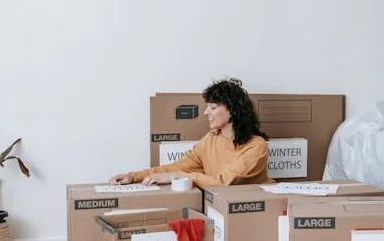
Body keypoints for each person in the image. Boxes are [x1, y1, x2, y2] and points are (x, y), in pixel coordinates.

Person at [109, 78, 275, 189]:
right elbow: (178, 166)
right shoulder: (210, 140)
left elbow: (224, 183)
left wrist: (177, 177)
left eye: (213, 107)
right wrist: (133, 176)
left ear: (232, 110)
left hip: (258, 212)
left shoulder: (257, 146)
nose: (206, 112)